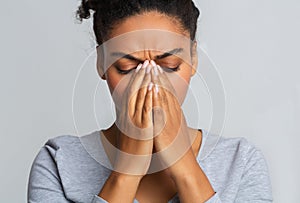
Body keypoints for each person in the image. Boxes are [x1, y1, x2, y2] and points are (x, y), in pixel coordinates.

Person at [27, 0, 273, 202]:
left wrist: (185, 167)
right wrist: (127, 171)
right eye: (126, 67)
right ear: (101, 63)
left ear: (193, 58)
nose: (150, 83)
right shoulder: (59, 162)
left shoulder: (241, 163)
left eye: (169, 66)